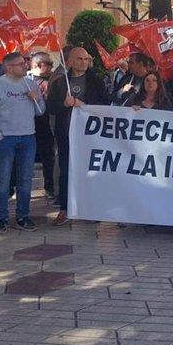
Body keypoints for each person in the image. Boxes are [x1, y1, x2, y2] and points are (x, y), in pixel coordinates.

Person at [0, 52, 45, 233]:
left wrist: (36, 99)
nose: (26, 66)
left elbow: (41, 111)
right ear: (8, 67)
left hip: (28, 137)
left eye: (25, 62)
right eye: (21, 63)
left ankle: (23, 215)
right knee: (3, 179)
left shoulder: (30, 84)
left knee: (25, 179)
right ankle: (2, 218)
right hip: (5, 139)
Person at [47, 47, 110, 227]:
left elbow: (104, 104)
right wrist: (63, 104)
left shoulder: (96, 81)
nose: (84, 62)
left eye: (86, 59)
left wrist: (80, 104)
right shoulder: (60, 81)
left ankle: (90, 208)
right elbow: (50, 107)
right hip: (66, 133)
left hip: (90, 135)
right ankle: (65, 209)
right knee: (66, 169)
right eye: (80, 59)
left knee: (90, 171)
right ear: (71, 61)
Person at [27, 51, 57, 200]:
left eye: (52, 64)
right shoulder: (26, 80)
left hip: (47, 125)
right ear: (38, 65)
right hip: (29, 125)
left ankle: (49, 187)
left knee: (48, 157)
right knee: (25, 158)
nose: (52, 67)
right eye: (49, 64)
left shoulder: (55, 79)